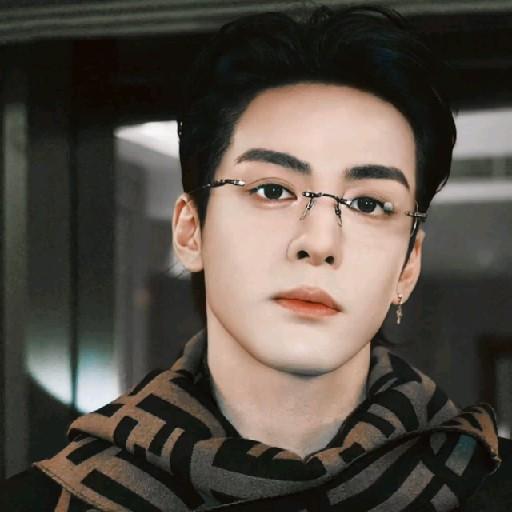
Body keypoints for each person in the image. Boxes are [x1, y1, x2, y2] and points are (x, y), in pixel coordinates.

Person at [2, 5, 511, 511]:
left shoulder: (492, 488)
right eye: (272, 190)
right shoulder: (45, 501)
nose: (319, 242)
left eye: (368, 204)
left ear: (409, 265)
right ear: (191, 230)